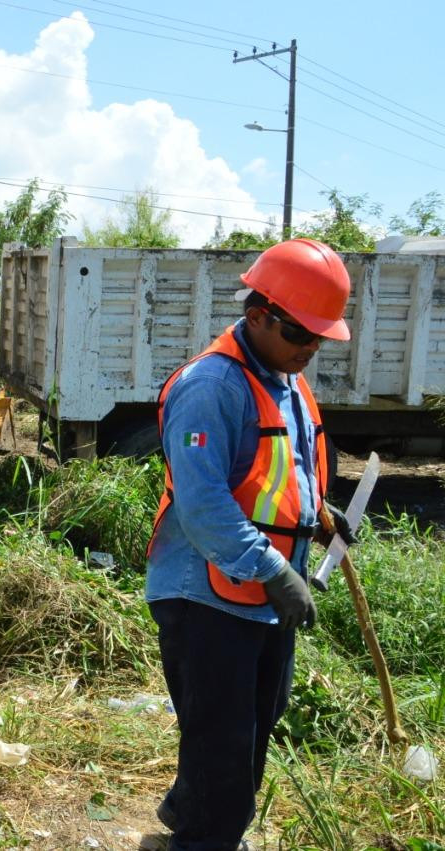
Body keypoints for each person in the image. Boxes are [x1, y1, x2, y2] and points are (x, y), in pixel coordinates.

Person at [145, 238, 355, 851]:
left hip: (260, 592)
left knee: (256, 723)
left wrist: (319, 514)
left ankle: (191, 810)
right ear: (259, 314)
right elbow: (204, 504)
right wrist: (274, 569)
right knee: (227, 744)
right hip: (204, 596)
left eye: (320, 337)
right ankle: (203, 837)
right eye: (300, 335)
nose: (310, 349)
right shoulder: (211, 386)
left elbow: (277, 472)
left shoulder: (284, 378)